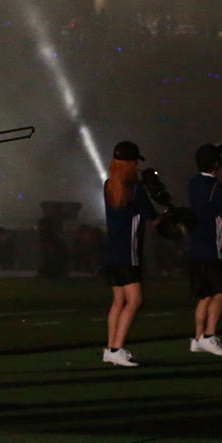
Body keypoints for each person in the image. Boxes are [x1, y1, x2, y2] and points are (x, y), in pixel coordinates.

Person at [99, 140, 161, 367]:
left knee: (118, 302)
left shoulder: (108, 186)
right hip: (128, 253)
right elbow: (153, 219)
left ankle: (111, 348)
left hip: (111, 252)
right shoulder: (136, 190)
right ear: (131, 163)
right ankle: (116, 348)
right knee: (135, 301)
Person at [186, 143, 222, 357]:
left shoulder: (193, 183)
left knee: (205, 296)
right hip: (211, 249)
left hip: (195, 247)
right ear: (216, 164)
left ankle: (197, 338)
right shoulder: (217, 187)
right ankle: (209, 335)